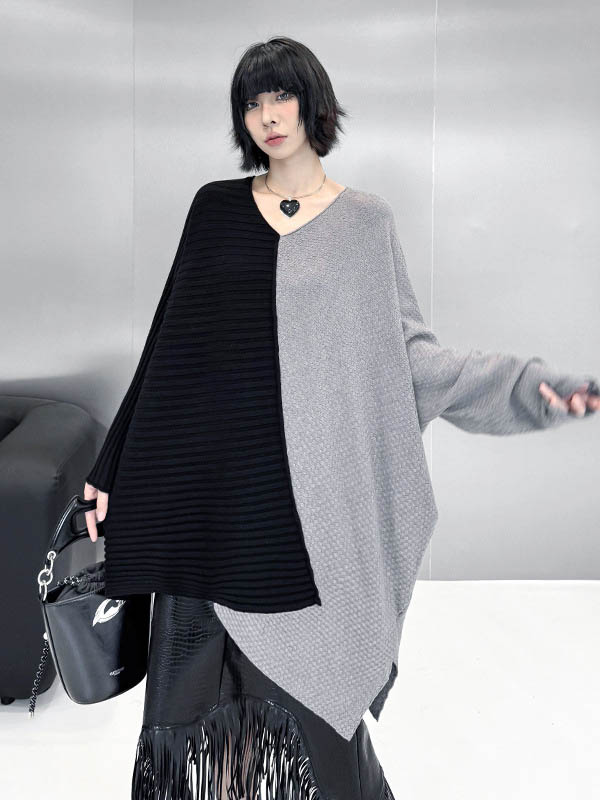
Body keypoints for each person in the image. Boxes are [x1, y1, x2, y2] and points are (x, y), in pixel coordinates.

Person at [84, 35, 599, 800]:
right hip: (207, 505)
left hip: (300, 522)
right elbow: (169, 348)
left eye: (281, 96)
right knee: (190, 726)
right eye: (252, 102)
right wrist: (110, 471)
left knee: (316, 721)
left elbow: (412, 359)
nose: (267, 115)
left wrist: (529, 388)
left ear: (314, 105)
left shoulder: (364, 224)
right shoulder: (214, 209)